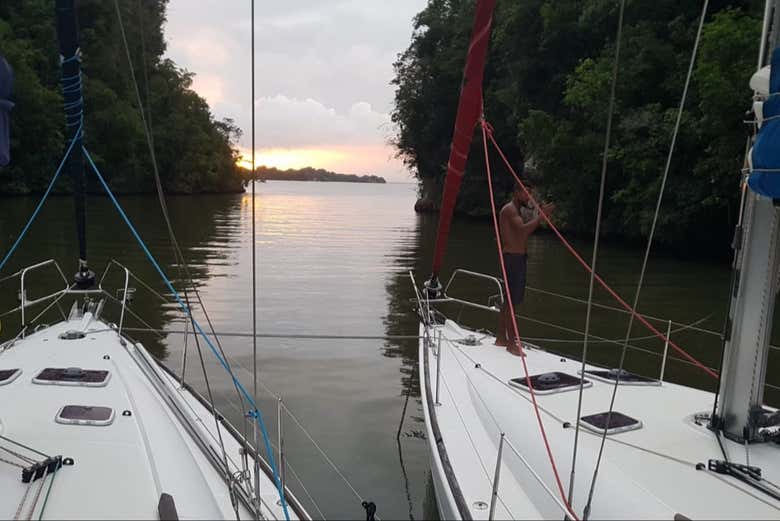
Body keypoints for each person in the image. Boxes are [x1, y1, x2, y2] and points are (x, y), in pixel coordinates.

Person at [494, 182, 554, 355]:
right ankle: (512, 344)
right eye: (526, 193)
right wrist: (541, 217)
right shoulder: (510, 210)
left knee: (509, 300)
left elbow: (520, 230)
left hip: (515, 258)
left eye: (530, 194)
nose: (529, 197)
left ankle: (501, 338)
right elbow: (522, 231)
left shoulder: (515, 210)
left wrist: (540, 215)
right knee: (512, 302)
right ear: (517, 192)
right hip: (513, 260)